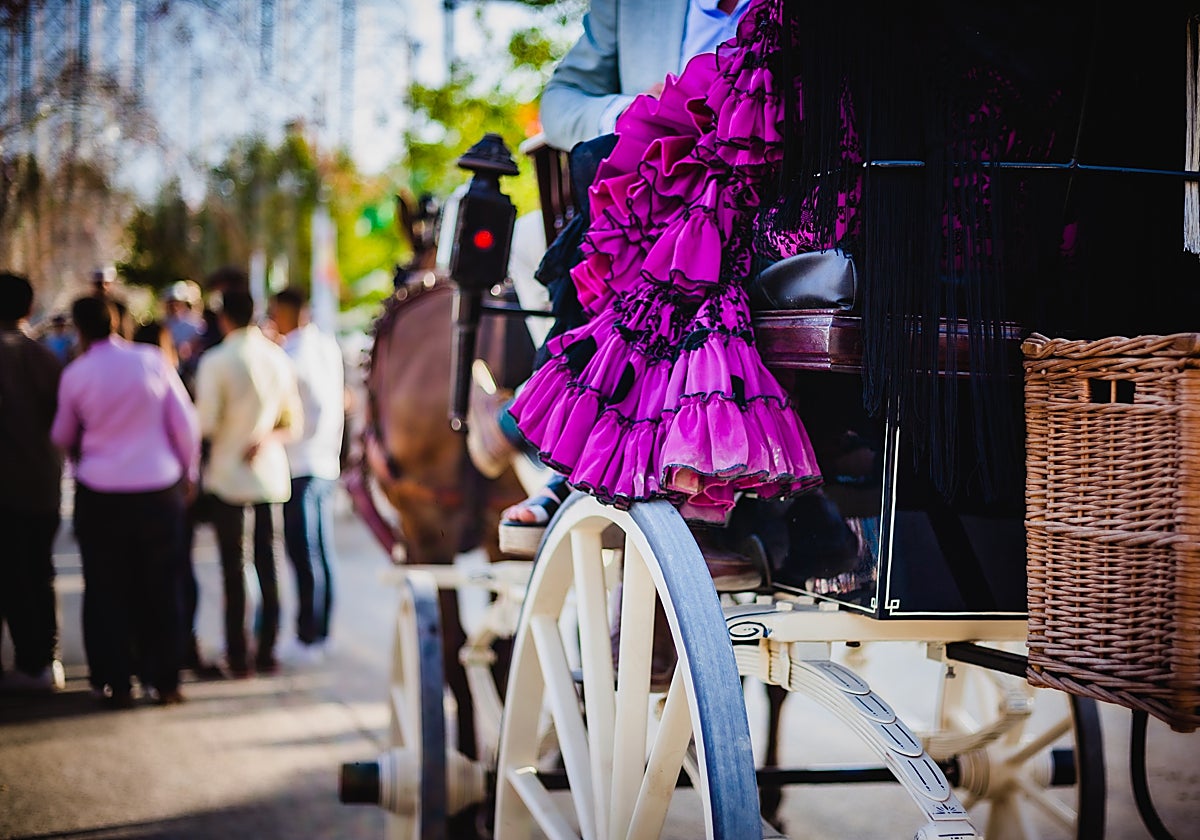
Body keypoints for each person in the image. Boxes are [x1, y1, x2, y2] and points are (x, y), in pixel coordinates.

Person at [51, 295, 200, 707]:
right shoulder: (151, 361)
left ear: (79, 330)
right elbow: (184, 424)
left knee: (105, 588)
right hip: (158, 489)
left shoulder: (76, 374)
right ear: (117, 322)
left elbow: (62, 435)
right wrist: (188, 473)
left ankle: (116, 680)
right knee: (162, 586)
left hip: (101, 495)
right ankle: (166, 679)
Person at [194, 288, 302, 677]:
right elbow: (293, 424)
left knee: (235, 569)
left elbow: (204, 423)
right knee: (269, 565)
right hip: (270, 478)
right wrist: (264, 438)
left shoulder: (218, 360)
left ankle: (238, 655)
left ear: (223, 319)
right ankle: (268, 650)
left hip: (229, 477)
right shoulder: (277, 358)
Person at [269, 288, 344, 663]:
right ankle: (322, 629)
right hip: (325, 458)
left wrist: (296, 439)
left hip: (301, 462)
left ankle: (308, 633)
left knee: (304, 551)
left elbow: (312, 404)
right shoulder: (326, 345)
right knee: (320, 549)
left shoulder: (291, 355)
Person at [0, 273, 65, 693]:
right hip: (40, 487)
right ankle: (40, 662)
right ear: (28, 307)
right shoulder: (45, 359)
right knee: (38, 573)